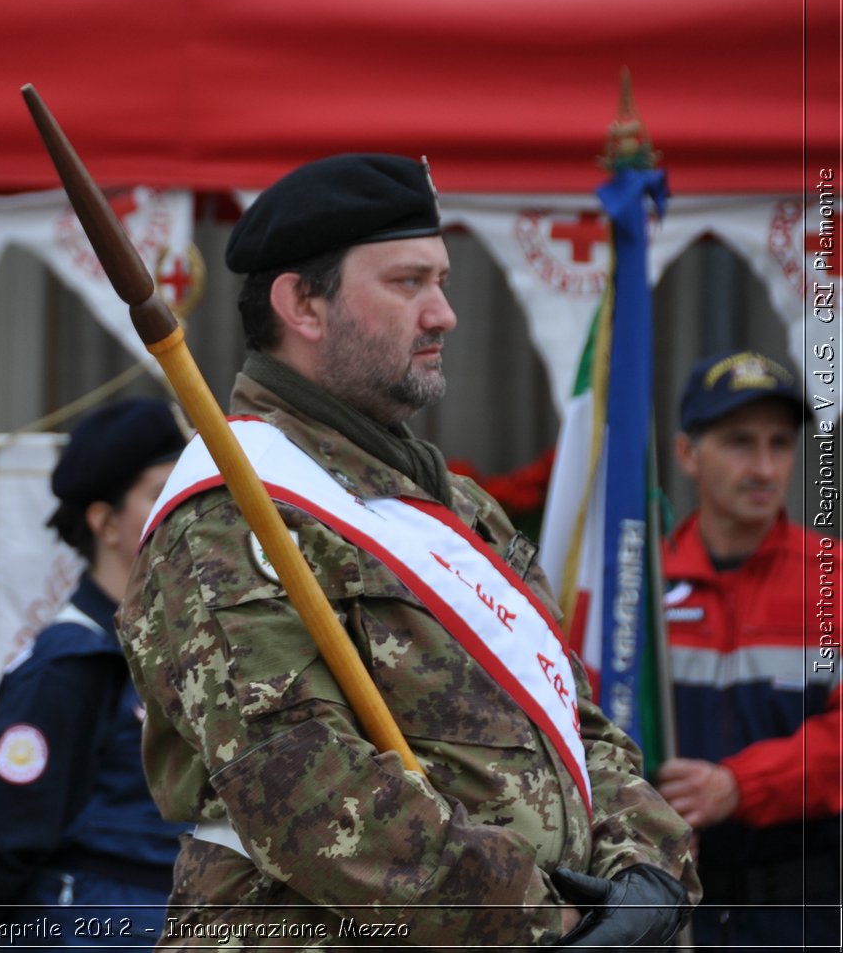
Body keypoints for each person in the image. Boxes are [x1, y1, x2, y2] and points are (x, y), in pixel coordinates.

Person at [120, 154, 699, 947]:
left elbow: (577, 722)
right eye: (407, 282)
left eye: (443, 280)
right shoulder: (230, 514)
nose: (444, 314)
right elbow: (306, 792)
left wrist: (645, 872)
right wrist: (544, 920)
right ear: (303, 304)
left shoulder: (458, 508)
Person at [0, 397, 190, 947]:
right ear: (105, 522)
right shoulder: (69, 665)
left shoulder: (182, 650)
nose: (186, 513)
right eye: (161, 495)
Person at [655, 349, 841, 951]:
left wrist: (738, 786)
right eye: (739, 442)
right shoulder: (637, 588)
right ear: (687, 453)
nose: (764, 466)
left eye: (779, 443)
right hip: (666, 907)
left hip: (806, 909)